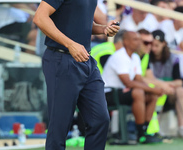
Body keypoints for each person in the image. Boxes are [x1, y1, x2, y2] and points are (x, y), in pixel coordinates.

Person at [33, 0, 120, 150]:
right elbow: (40, 18)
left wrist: (103, 29)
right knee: (59, 127)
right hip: (61, 59)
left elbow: (82, 23)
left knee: (100, 119)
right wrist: (70, 44)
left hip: (86, 60)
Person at [102, 31, 163, 144]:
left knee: (151, 95)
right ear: (126, 42)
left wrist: (153, 91)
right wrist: (153, 88)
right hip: (108, 93)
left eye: (140, 39)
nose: (139, 42)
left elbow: (138, 80)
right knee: (139, 92)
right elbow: (128, 83)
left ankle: (143, 131)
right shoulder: (119, 56)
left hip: (122, 92)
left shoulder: (135, 57)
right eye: (136, 39)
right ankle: (140, 133)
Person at [149, 30, 183, 138]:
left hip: (170, 92)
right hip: (155, 91)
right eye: (152, 45)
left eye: (157, 45)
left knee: (180, 90)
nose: (154, 48)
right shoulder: (147, 57)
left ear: (164, 44)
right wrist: (163, 86)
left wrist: (165, 85)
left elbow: (179, 81)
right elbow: (146, 79)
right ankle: (155, 129)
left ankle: (182, 127)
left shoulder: (173, 58)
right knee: (158, 90)